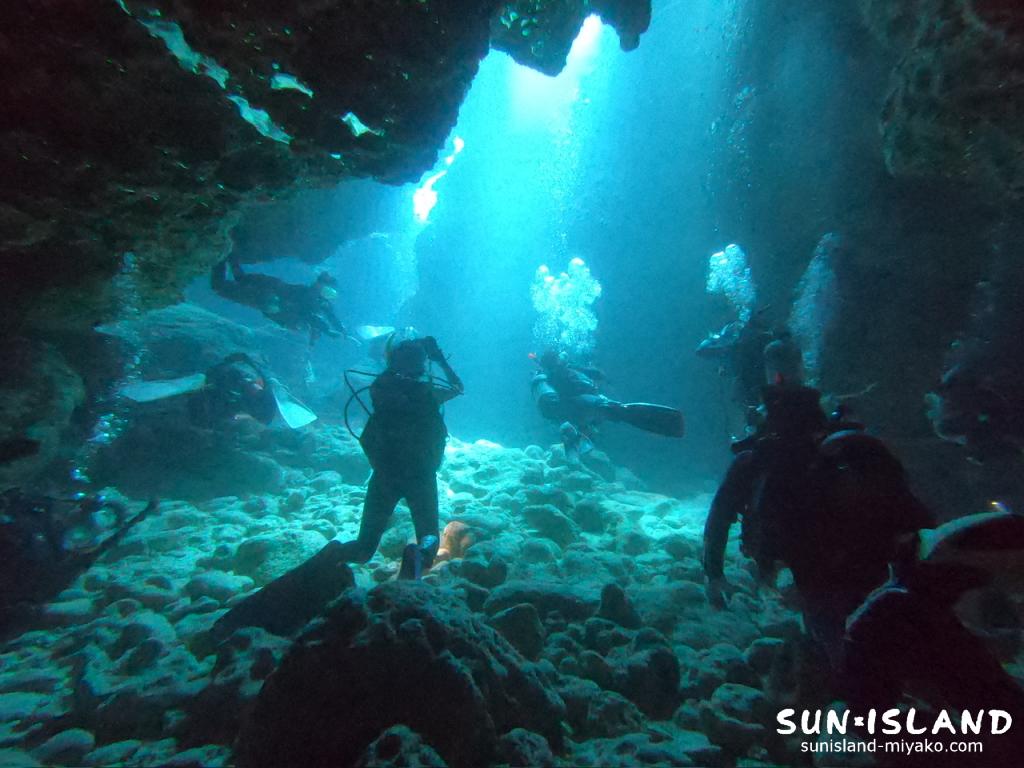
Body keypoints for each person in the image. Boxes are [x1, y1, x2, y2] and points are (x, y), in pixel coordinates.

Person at [702, 337, 933, 666]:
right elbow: (907, 506)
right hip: (861, 560)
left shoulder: (759, 456)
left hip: (807, 569)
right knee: (877, 642)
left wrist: (714, 574)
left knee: (843, 649)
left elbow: (721, 513)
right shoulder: (847, 445)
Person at [337, 333, 463, 579]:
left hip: (385, 475)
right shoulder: (429, 392)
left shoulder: (380, 387)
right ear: (421, 363)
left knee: (364, 547)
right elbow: (457, 387)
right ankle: (417, 558)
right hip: (421, 475)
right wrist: (438, 358)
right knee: (429, 539)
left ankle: (330, 559)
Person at [531, 349, 684, 466]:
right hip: (582, 405)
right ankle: (668, 423)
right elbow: (590, 380)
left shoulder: (549, 378)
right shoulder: (560, 372)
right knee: (619, 411)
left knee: (611, 413)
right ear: (556, 360)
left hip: (570, 412)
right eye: (560, 357)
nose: (564, 358)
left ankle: (575, 436)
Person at [211, 258, 350, 345]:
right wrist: (328, 330)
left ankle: (223, 257)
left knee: (233, 282)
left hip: (265, 294)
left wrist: (340, 329)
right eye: (324, 288)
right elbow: (310, 316)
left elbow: (328, 315)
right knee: (226, 284)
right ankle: (222, 256)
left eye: (330, 292)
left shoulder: (319, 301)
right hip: (265, 294)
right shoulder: (308, 296)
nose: (324, 293)